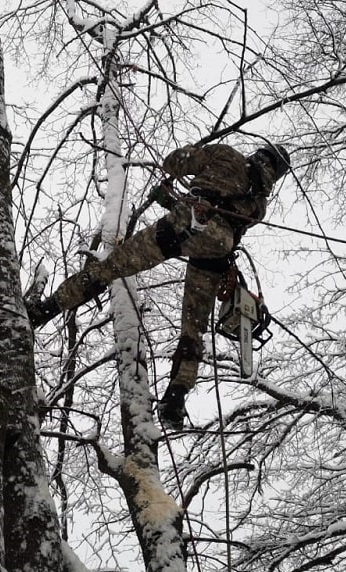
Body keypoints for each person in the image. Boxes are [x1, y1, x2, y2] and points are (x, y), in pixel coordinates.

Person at [26, 141, 289, 429]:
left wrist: (187, 163)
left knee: (110, 268)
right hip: (216, 252)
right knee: (193, 329)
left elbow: (176, 162)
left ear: (259, 153)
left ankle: (46, 309)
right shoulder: (260, 204)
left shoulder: (227, 155)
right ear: (275, 174)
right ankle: (174, 399)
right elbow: (223, 214)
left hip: (184, 226)